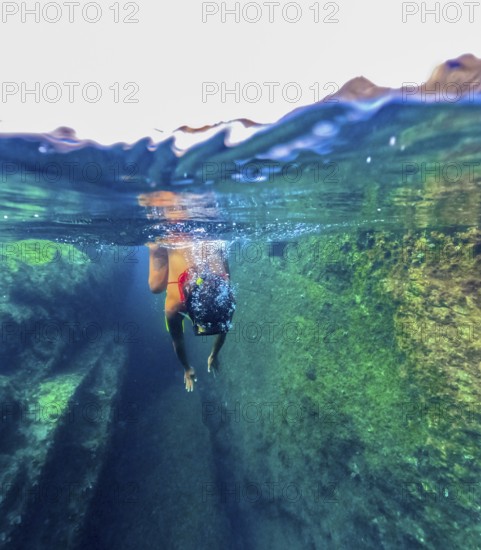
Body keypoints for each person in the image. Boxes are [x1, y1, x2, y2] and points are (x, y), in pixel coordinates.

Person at [147, 238, 235, 392]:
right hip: (174, 237)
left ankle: (173, 253)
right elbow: (177, 340)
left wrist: (214, 354)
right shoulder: (175, 303)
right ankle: (157, 246)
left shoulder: (226, 300)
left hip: (205, 240)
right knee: (155, 287)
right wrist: (186, 367)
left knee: (220, 253)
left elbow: (223, 328)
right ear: (187, 306)